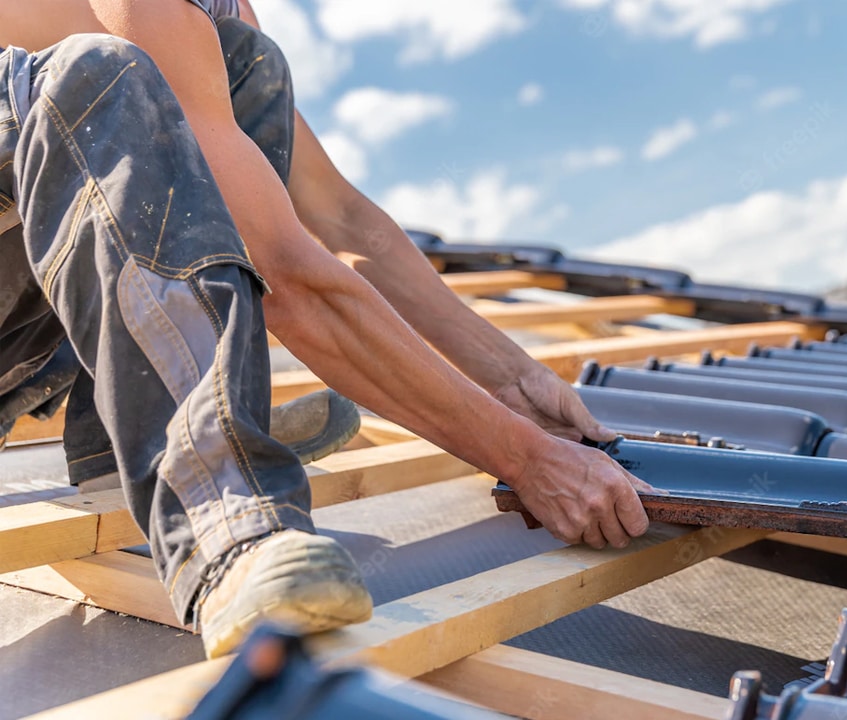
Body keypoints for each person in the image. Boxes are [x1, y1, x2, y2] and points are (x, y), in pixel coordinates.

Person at [0, 0, 652, 658]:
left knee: (250, 71)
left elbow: (338, 217)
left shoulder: (216, 14)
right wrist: (525, 458)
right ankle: (225, 533)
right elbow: (284, 271)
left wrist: (515, 382)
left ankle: (127, 439)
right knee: (99, 80)